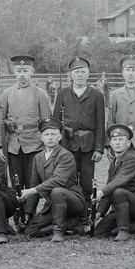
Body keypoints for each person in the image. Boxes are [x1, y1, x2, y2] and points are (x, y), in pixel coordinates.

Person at [18, 117, 89, 242]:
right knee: (30, 231)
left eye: (53, 134)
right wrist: (28, 214)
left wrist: (32, 190)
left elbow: (58, 180)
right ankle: (70, 224)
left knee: (57, 190)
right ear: (41, 138)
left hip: (72, 201)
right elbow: (34, 184)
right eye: (46, 134)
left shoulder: (66, 155)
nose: (50, 137)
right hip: (54, 204)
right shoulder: (38, 158)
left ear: (60, 137)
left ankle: (58, 232)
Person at [53, 56, 106, 211]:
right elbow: (56, 121)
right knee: (69, 180)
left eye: (83, 72)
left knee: (87, 183)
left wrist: (98, 148)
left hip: (88, 146)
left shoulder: (97, 95)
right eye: (76, 72)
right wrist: (57, 146)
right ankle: (72, 213)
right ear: (71, 75)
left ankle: (86, 215)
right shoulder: (62, 94)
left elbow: (100, 124)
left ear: (88, 74)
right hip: (67, 145)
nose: (80, 75)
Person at [91, 124, 135, 241]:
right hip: (122, 206)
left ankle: (124, 231)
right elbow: (109, 188)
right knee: (99, 232)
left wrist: (101, 192)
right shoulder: (113, 163)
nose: (118, 143)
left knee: (118, 192)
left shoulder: (132, 160)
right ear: (111, 144)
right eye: (114, 140)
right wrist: (99, 213)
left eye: (121, 139)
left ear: (128, 143)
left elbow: (120, 180)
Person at [0, 55, 51, 191]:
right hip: (13, 144)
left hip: (34, 143)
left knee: (32, 180)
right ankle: (17, 210)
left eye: (26, 70)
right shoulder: (7, 93)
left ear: (32, 72)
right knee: (16, 181)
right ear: (14, 72)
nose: (22, 74)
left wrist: (46, 145)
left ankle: (28, 212)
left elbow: (46, 123)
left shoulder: (40, 94)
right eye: (19, 71)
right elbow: (0, 121)